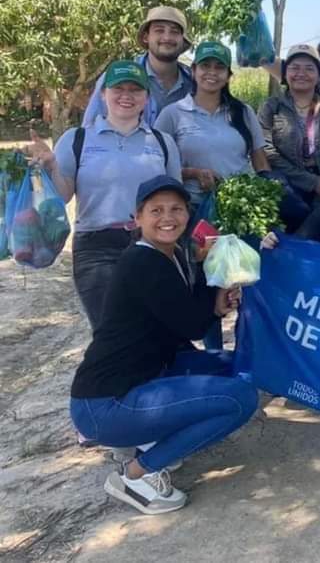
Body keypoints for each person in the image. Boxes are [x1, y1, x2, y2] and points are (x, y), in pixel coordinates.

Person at [69, 176, 258, 514]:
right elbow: (193, 325)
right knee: (240, 398)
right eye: (156, 210)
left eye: (176, 209)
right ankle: (137, 474)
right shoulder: (143, 262)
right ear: (137, 218)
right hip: (105, 404)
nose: (167, 217)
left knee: (235, 366)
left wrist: (210, 286)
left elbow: (187, 319)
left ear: (188, 214)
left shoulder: (170, 254)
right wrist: (212, 293)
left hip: (145, 377)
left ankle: (150, 439)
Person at [26, 61, 181, 331]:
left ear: (146, 97)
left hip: (152, 245)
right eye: (118, 88)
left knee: (154, 330)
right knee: (111, 331)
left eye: (135, 89)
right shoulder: (76, 139)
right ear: (103, 94)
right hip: (96, 248)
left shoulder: (162, 142)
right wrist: (50, 168)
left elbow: (176, 202)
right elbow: (62, 197)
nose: (126, 95)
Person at [154, 41, 270, 208]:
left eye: (219, 67)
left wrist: (267, 194)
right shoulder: (173, 114)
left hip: (242, 205)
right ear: (194, 71)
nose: (212, 72)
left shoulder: (243, 112)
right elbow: (156, 167)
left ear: (228, 75)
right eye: (205, 66)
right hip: (193, 207)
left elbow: (260, 162)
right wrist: (193, 173)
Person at [258, 44, 320, 225]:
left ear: (319, 75)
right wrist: (312, 182)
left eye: (309, 68)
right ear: (285, 74)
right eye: (294, 68)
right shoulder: (271, 107)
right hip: (287, 190)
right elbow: (266, 151)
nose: (301, 73)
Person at [82, 7, 195, 128]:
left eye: (174, 32)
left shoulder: (195, 83)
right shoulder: (116, 77)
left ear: (183, 40)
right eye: (159, 30)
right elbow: (89, 129)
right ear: (146, 37)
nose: (167, 38)